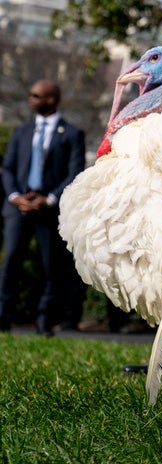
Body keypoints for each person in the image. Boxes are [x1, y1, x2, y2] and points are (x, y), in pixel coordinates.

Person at [0, 81, 86, 336]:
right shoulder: (21, 132)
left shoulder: (72, 134)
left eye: (36, 95)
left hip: (48, 210)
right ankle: (3, 317)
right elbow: (8, 168)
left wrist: (48, 199)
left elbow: (74, 172)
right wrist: (15, 197)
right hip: (18, 208)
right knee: (11, 261)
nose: (30, 98)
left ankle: (44, 321)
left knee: (51, 267)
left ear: (51, 99)